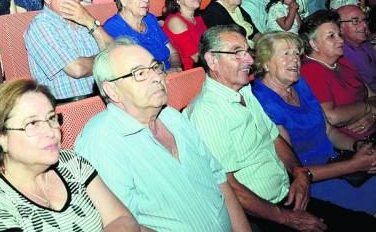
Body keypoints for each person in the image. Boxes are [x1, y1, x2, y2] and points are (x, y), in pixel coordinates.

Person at [185, 24, 376, 232]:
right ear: (212, 60)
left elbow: (275, 138)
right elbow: (229, 187)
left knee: (366, 224)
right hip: (263, 213)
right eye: (237, 53)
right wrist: (286, 218)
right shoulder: (206, 113)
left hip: (288, 192)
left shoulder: (244, 91)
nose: (248, 60)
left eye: (247, 51)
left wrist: (298, 172)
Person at [75, 37, 252, 231]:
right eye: (139, 73)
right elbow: (123, 225)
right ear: (112, 90)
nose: (157, 77)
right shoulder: (102, 143)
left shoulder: (172, 117)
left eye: (155, 67)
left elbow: (219, 180)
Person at [252, 32, 376, 231]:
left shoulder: (299, 84)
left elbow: (328, 131)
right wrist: (354, 164)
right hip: (310, 181)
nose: (294, 59)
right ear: (265, 63)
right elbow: (294, 172)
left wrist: (359, 145)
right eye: (285, 54)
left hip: (336, 161)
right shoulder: (261, 102)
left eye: (296, 53)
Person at [0, 79, 142, 232]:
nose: (51, 131)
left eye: (51, 118)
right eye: (33, 123)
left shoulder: (70, 162)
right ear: (1, 137)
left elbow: (122, 219)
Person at [299, 10, 376, 189]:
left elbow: (373, 96)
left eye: (339, 34)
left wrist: (373, 111)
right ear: (314, 44)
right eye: (331, 36)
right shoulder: (311, 71)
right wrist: (367, 108)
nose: (341, 40)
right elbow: (333, 117)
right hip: (352, 142)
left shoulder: (342, 61)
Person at [24, 0, 113, 99]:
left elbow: (114, 51)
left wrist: (90, 22)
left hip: (106, 98)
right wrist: (107, 59)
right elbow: (78, 69)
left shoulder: (84, 19)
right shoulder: (41, 26)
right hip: (72, 105)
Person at [104, 0, 181, 71]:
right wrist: (163, 72)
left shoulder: (150, 19)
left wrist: (176, 68)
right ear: (123, 0)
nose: (145, 0)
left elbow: (173, 52)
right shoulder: (112, 29)